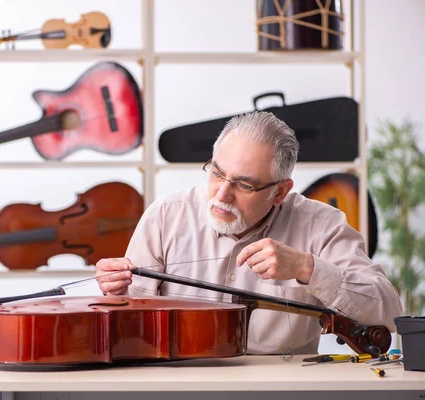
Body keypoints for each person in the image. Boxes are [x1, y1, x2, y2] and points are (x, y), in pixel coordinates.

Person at [95, 111, 403, 355]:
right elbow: (132, 328)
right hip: (182, 387)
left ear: (280, 191)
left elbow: (388, 311)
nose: (222, 195)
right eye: (217, 172)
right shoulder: (166, 216)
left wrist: (306, 268)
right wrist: (116, 293)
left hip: (280, 391)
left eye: (244, 185)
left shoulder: (321, 223)